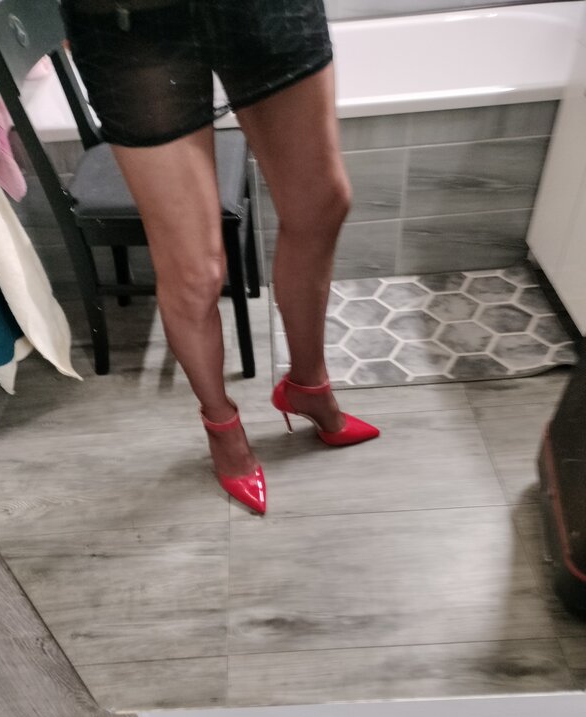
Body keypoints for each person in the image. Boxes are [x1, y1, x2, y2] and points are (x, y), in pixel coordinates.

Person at [60, 0, 380, 515]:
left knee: (323, 203)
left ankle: (308, 385)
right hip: (129, 19)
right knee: (194, 273)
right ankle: (222, 426)